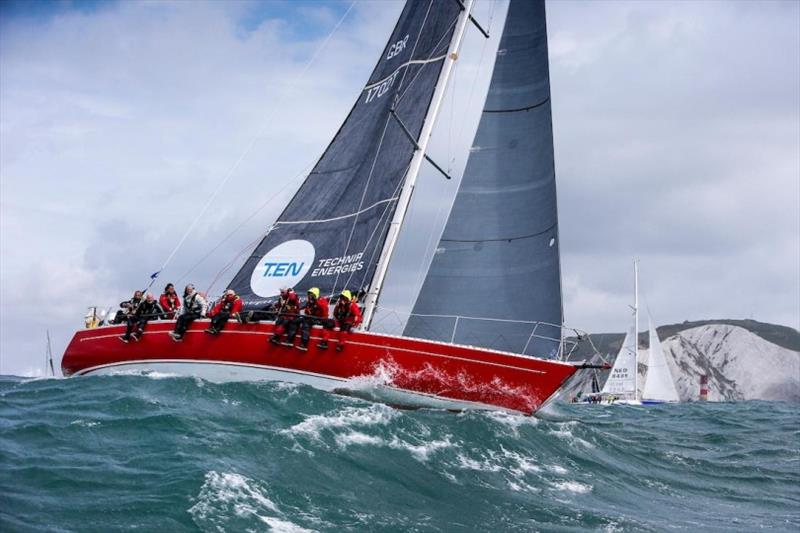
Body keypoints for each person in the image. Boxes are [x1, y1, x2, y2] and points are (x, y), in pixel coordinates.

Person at [296, 287, 330, 351]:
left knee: (306, 324)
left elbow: (324, 309)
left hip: (319, 319)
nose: (309, 296)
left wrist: (316, 301)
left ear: (315, 295)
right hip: (311, 318)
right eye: (309, 294)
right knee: (295, 320)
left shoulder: (322, 300)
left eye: (311, 294)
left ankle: (304, 344)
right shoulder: (310, 302)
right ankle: (290, 339)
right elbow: (304, 308)